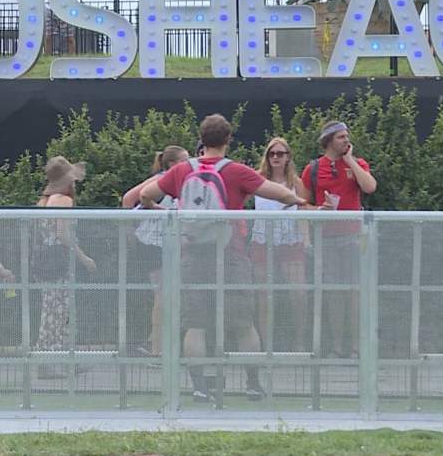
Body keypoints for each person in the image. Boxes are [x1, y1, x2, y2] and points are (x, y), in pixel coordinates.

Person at [140, 114, 328, 402]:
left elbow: (145, 194)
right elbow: (276, 192)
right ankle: (252, 383)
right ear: (228, 139)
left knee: (195, 324)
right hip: (232, 253)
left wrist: (157, 209)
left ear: (201, 139)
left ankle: (200, 386)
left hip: (192, 253)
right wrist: (304, 202)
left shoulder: (181, 171)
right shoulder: (236, 171)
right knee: (243, 322)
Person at [301, 120, 377, 359]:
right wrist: (319, 210)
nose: (346, 140)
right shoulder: (313, 169)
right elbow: (302, 206)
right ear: (329, 141)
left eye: (347, 136)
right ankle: (336, 346)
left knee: (355, 291)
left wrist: (351, 161)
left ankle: (355, 347)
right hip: (327, 238)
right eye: (341, 137)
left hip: (354, 235)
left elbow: (370, 187)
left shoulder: (357, 163)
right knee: (334, 293)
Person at [32, 157, 97, 378]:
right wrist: (84, 257)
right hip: (60, 262)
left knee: (51, 310)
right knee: (59, 312)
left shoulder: (44, 200)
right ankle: (56, 361)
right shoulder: (63, 201)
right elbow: (62, 234)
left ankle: (51, 360)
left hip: (45, 262)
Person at [121, 146, 189, 356]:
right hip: (152, 244)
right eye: (184, 161)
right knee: (162, 296)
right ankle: (157, 350)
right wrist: (129, 233)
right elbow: (128, 199)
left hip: (169, 245)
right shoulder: (161, 179)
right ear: (171, 164)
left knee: (168, 295)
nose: (189, 165)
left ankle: (157, 342)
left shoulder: (183, 183)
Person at [251, 137, 310, 352]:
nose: (275, 157)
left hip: (289, 239)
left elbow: (304, 210)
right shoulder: (257, 179)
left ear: (288, 157)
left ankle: (299, 341)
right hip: (262, 239)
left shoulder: (296, 183)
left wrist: (307, 238)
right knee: (264, 294)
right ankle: (265, 345)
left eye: (280, 153)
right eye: (271, 153)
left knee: (299, 293)